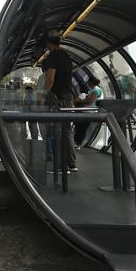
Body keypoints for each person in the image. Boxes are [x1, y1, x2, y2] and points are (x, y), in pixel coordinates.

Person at [41, 31, 76, 171]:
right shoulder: (67, 57)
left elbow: (50, 79)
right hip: (68, 98)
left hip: (57, 99)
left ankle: (61, 166)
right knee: (68, 132)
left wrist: (43, 95)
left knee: (57, 132)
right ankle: (72, 164)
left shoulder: (53, 56)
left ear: (49, 43)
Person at [73, 76, 103, 149]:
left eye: (88, 83)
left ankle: (78, 143)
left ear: (91, 83)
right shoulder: (93, 90)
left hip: (90, 112)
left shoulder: (96, 90)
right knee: (80, 127)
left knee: (82, 128)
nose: (88, 85)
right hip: (87, 112)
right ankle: (77, 143)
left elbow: (90, 101)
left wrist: (81, 101)